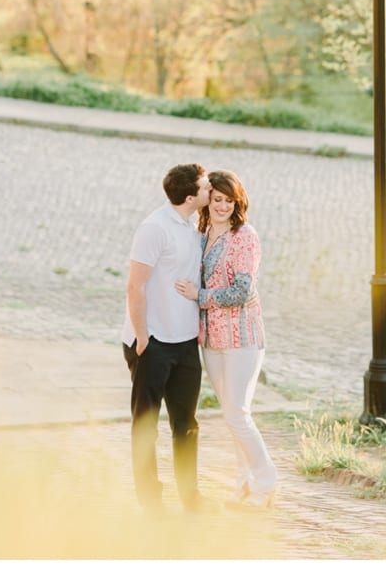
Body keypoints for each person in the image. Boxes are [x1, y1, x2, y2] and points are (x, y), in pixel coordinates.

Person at [175, 170, 278, 509]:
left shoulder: (244, 236)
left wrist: (199, 295)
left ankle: (266, 482)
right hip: (211, 339)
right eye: (216, 199)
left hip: (243, 337)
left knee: (237, 414)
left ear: (238, 202)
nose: (222, 206)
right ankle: (243, 486)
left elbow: (242, 291)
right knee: (232, 414)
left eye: (228, 200)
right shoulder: (201, 234)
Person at [122, 162, 212, 512]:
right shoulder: (153, 229)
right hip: (153, 343)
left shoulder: (192, 227)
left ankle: (191, 496)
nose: (210, 190)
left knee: (186, 424)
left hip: (186, 342)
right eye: (206, 187)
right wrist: (143, 338)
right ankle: (150, 500)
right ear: (191, 196)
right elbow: (135, 285)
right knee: (146, 425)